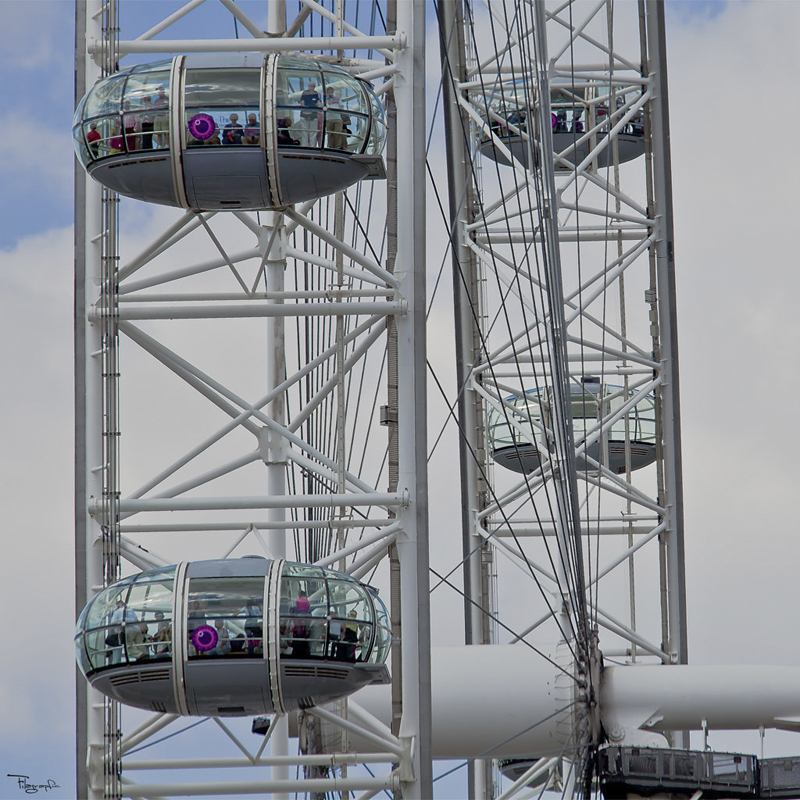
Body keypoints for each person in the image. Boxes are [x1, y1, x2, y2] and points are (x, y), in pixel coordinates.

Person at [299, 80, 322, 147]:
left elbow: (318, 102)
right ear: (309, 86)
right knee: (305, 132)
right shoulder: (305, 93)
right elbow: (302, 102)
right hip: (305, 115)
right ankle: (304, 146)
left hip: (313, 115)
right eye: (311, 86)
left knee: (313, 132)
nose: (312, 87)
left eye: (314, 86)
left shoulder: (316, 93)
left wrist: (319, 106)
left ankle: (312, 146)